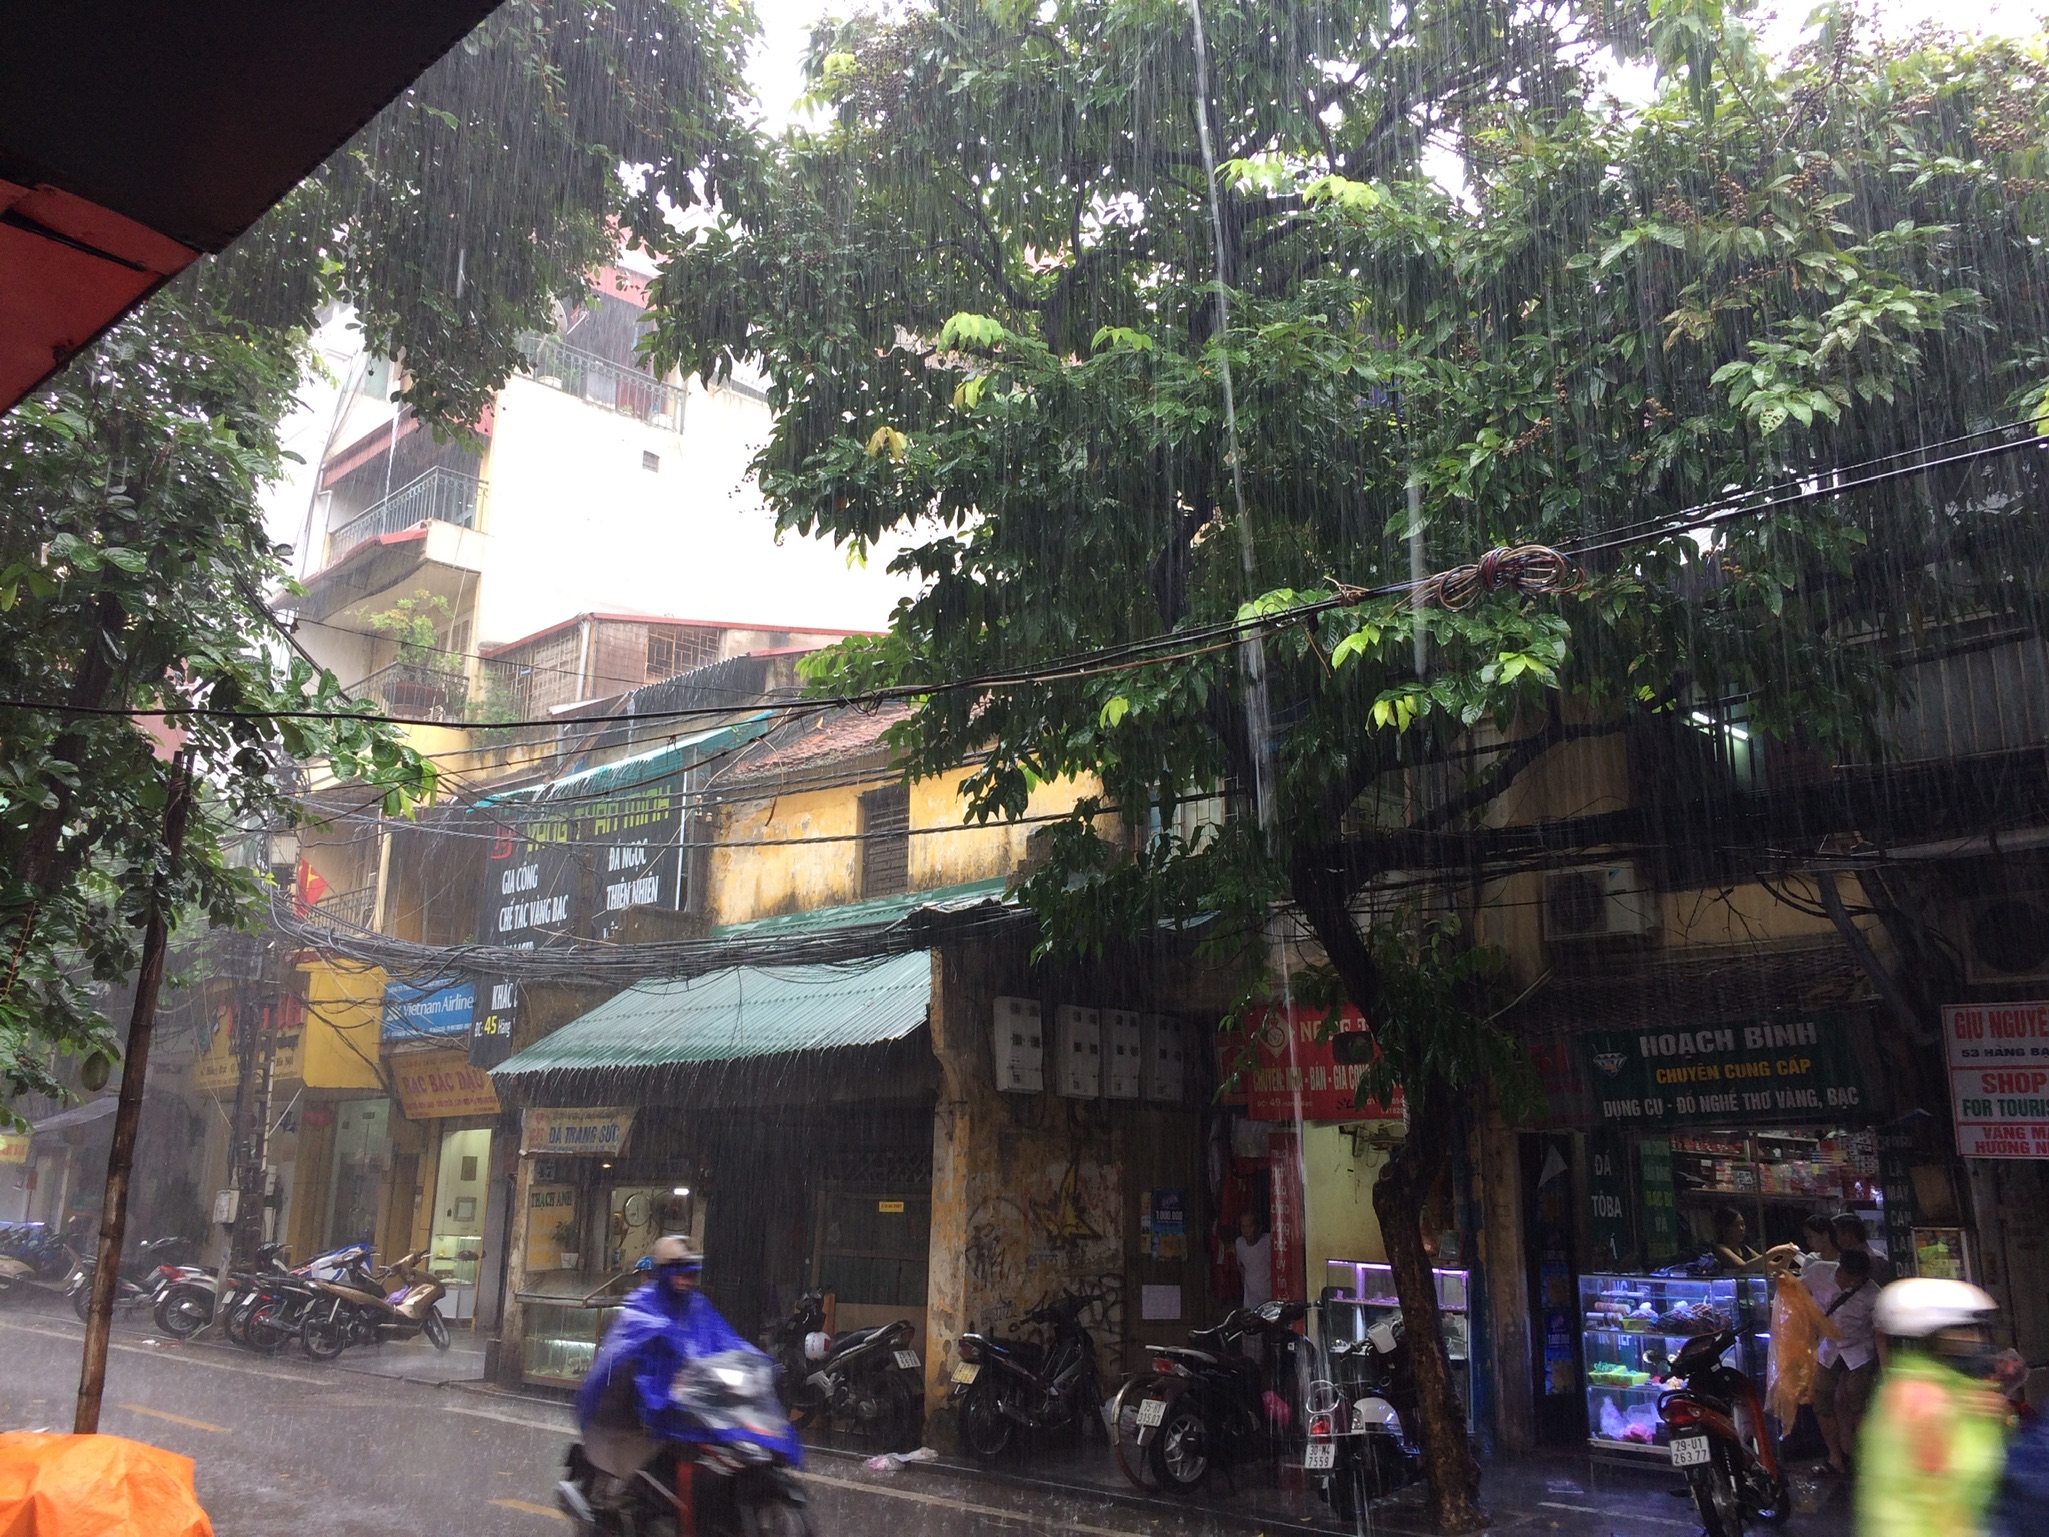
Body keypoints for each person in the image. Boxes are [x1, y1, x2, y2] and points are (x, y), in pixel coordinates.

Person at [575, 1235, 779, 1489]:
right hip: (638, 1407)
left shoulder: (698, 1306)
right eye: (679, 1274)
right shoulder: (643, 1304)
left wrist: (756, 1364)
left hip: (689, 1397)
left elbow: (726, 1340)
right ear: (663, 1273)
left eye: (690, 1275)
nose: (685, 1281)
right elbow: (632, 1349)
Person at [1857, 1277, 2012, 1537]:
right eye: (1964, 1332)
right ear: (1935, 1338)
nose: (1976, 1341)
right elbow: (1934, 1496)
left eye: (1977, 1332)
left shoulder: (1957, 1391)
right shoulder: (1920, 1399)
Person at [1812, 1249, 1878, 1474]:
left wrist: (1886, 1368)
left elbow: (1879, 1333)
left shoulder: (1872, 1294)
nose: (1852, 1283)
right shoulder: (1818, 1272)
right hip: (1827, 1348)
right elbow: (1796, 1293)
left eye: (1858, 1280)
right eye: (1849, 1278)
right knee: (1821, 1400)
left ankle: (1866, 1459)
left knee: (1858, 1402)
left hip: (1859, 1350)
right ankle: (1835, 1457)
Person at [1833, 1213, 1892, 1285]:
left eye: (1837, 1234)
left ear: (1849, 1235)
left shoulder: (1875, 1261)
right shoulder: (1843, 1258)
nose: (1836, 1239)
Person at [1234, 1208, 1273, 1311]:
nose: (1246, 1231)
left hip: (1270, 1297)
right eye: (1243, 1227)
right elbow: (1240, 1266)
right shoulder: (1239, 1244)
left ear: (1258, 1227)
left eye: (1250, 1226)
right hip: (1250, 1301)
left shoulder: (1268, 1241)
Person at [1711, 1207, 1766, 1273]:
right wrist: (1774, 1252)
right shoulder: (1720, 1248)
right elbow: (1744, 1267)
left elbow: (1766, 1263)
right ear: (1724, 1228)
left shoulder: (1745, 1248)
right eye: (1735, 1225)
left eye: (1742, 1224)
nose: (1741, 1229)